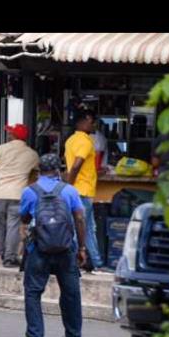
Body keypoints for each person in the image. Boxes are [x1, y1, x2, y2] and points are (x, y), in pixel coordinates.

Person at [19, 153, 87, 337]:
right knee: (71, 292)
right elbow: (80, 219)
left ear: (39, 170)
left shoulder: (29, 191)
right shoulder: (70, 191)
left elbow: (23, 218)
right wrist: (82, 247)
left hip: (38, 248)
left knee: (33, 292)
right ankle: (73, 336)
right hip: (66, 248)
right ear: (58, 170)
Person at [65, 110, 109, 274]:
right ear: (81, 123)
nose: (93, 125)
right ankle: (79, 262)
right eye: (91, 121)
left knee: (87, 227)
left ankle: (95, 262)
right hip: (82, 191)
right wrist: (68, 186)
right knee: (83, 228)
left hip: (79, 190)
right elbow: (76, 165)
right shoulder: (85, 141)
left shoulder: (70, 140)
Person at [0, 123, 40, 267]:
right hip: (17, 194)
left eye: (10, 133)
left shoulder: (1, 149)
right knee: (13, 226)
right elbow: (35, 173)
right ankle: (10, 257)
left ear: (13, 136)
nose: (9, 135)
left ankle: (3, 253)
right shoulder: (32, 154)